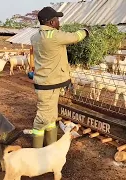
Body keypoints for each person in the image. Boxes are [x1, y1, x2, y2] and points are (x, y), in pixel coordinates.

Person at [29, 6, 89, 148]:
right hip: (48, 85)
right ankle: (37, 151)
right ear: (51, 22)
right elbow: (75, 37)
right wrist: (86, 31)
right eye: (57, 19)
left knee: (51, 117)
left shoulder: (35, 37)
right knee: (42, 119)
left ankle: (50, 146)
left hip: (47, 83)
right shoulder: (55, 36)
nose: (59, 22)